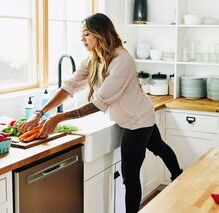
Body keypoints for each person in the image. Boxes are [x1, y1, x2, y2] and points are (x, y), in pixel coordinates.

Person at [18, 13, 182, 213]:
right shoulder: (93, 59)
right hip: (133, 115)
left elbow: (99, 102)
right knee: (159, 147)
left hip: (137, 121)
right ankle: (179, 177)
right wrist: (40, 112)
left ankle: (177, 178)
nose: (82, 39)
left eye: (86, 34)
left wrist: (60, 117)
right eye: (82, 34)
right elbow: (69, 87)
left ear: (100, 34)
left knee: (130, 175)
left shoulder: (122, 60)